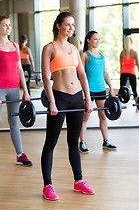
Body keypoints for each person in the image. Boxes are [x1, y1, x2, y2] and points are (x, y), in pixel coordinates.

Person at [41, 12, 95, 201]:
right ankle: (47, 185)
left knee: (73, 142)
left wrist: (87, 99)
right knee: (51, 143)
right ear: (58, 26)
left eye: (73, 25)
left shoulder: (74, 48)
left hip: (76, 98)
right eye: (67, 25)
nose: (71, 28)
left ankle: (78, 181)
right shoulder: (50, 48)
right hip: (60, 97)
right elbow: (46, 78)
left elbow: (82, 75)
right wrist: (52, 102)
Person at [0, 15, 33, 171]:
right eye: (5, 25)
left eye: (9, 25)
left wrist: (25, 91)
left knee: (14, 122)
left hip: (14, 88)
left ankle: (20, 155)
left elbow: (19, 69)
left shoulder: (14, 45)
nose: (8, 28)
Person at [79, 31, 117, 153]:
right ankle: (82, 142)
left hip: (101, 89)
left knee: (103, 116)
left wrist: (111, 87)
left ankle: (106, 141)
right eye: (95, 39)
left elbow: (105, 73)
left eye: (99, 39)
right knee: (85, 117)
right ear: (88, 41)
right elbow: (80, 74)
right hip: (88, 90)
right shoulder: (84, 55)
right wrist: (83, 92)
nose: (98, 41)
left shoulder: (102, 56)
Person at [120, 35, 139, 111]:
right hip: (132, 73)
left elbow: (120, 64)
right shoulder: (134, 53)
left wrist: (121, 74)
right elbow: (138, 65)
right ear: (131, 42)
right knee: (134, 91)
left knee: (122, 90)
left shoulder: (122, 53)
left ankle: (119, 105)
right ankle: (137, 107)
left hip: (123, 72)